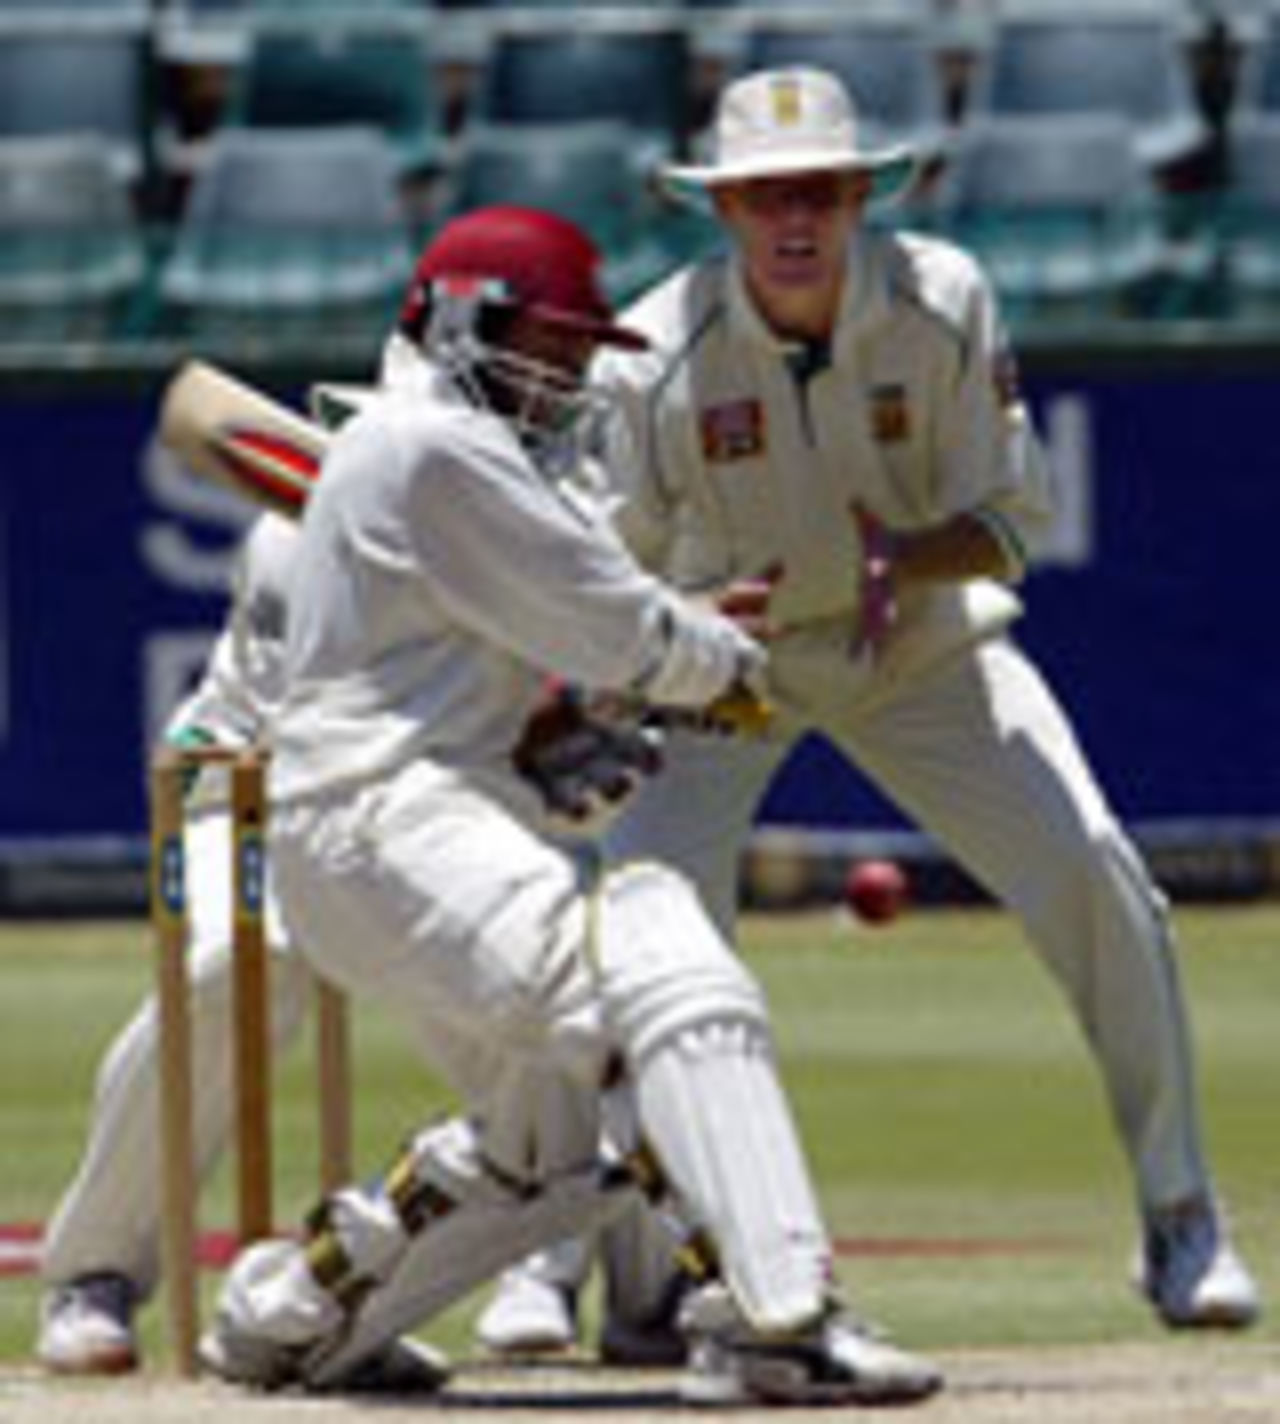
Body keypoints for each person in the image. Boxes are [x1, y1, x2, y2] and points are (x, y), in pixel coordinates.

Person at [195, 204, 943, 1408]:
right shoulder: (437, 447)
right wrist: (720, 658)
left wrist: (569, 718)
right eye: (550, 344)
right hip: (391, 816)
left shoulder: (415, 451)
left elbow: (538, 649)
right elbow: (616, 623)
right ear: (456, 324)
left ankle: (289, 1316)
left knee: (546, 1152)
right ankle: (775, 1317)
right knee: (657, 963)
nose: (571, 373)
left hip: (381, 827)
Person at [565, 66, 1255, 1333]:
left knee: (1099, 870)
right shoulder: (649, 353)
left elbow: (1005, 521)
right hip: (726, 669)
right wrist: (692, 634)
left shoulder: (941, 302)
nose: (794, 220)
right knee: (634, 936)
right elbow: (611, 570)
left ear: (856, 199)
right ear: (719, 211)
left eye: (817, 193)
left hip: (919, 652)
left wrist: (895, 559)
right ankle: (641, 1275)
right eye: (764, 195)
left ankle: (1178, 1214)